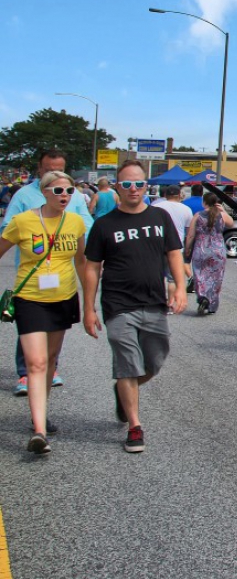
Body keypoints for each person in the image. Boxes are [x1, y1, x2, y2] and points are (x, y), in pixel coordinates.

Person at [82, 161, 188, 454]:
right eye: (126, 184)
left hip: (154, 301)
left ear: (146, 186)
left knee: (154, 361)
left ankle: (123, 391)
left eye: (138, 184)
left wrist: (180, 288)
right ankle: (134, 426)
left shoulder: (160, 217)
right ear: (117, 187)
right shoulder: (104, 225)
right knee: (127, 363)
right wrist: (88, 308)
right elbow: (92, 268)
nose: (133, 189)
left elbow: (174, 254)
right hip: (117, 304)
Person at [0, 171, 88, 454]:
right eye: (59, 190)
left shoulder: (75, 223)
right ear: (44, 192)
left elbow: (81, 262)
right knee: (36, 362)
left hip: (63, 298)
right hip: (31, 299)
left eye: (70, 191)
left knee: (50, 361)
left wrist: (89, 304)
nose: (65, 196)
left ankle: (41, 413)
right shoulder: (22, 222)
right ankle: (39, 432)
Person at [2, 148, 94, 395]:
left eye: (60, 168)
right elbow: (7, 227)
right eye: (49, 168)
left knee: (54, 328)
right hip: (33, 272)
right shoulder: (23, 194)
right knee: (32, 325)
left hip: (62, 272)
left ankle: (50, 369)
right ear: (39, 169)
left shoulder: (72, 195)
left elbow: (85, 222)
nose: (55, 173)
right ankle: (25, 372)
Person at [185, 192, 233, 316]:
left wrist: (187, 249)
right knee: (216, 278)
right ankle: (212, 304)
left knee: (200, 275)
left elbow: (190, 235)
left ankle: (203, 297)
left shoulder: (198, 215)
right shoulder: (222, 215)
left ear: (204, 202)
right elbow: (231, 223)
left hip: (201, 249)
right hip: (218, 250)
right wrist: (223, 210)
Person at [152, 185, 195, 288]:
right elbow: (190, 233)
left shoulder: (156, 207)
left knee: (158, 277)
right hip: (177, 248)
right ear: (179, 195)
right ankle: (172, 303)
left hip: (158, 247)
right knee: (172, 280)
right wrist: (188, 248)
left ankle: (160, 300)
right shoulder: (186, 209)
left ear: (166, 195)